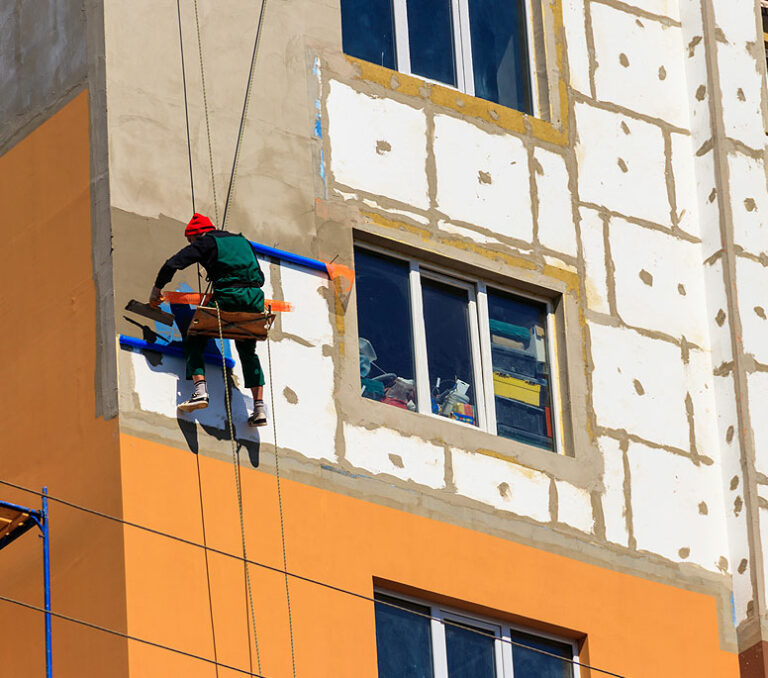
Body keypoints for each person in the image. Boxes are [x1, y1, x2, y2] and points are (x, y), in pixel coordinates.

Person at [150, 213, 267, 426]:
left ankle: (200, 391)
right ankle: (259, 408)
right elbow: (261, 277)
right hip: (255, 302)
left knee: (194, 336)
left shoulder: (206, 241)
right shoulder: (243, 242)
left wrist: (156, 289)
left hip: (229, 297)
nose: (192, 244)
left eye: (191, 240)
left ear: (198, 234)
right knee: (248, 350)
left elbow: (172, 264)